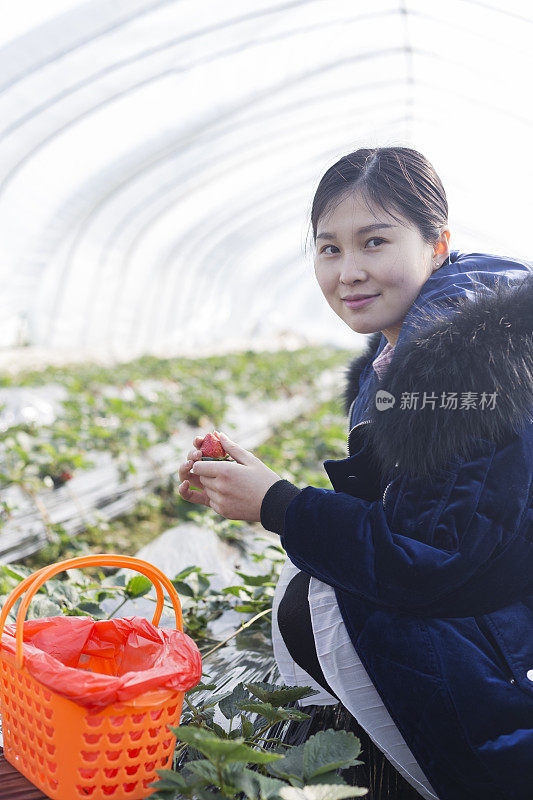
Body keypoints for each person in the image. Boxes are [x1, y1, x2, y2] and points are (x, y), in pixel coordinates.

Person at [177, 146, 533, 800]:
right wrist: (267, 491)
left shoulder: (453, 362)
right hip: (498, 637)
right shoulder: (420, 344)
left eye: (373, 242)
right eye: (328, 249)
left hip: (498, 675)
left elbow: (427, 559)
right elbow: (426, 516)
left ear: (436, 243)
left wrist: (279, 506)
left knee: (321, 587)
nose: (348, 271)